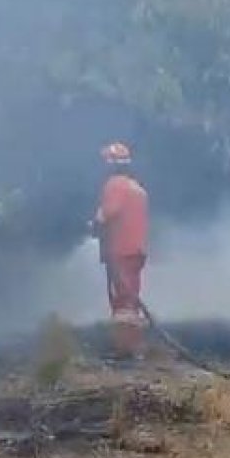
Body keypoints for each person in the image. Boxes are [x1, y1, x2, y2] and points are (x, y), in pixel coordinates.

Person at [90, 141, 149, 361]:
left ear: (110, 165)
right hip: (136, 251)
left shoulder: (114, 185)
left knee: (121, 301)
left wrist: (93, 226)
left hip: (120, 251)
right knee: (131, 300)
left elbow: (106, 215)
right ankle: (134, 348)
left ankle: (124, 352)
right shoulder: (137, 189)